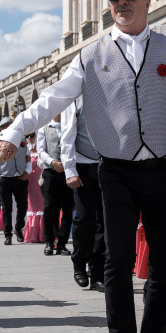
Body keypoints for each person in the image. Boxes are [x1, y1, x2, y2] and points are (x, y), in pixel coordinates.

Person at [0, 0, 166, 333]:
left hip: (165, 167)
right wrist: (14, 129)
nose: (121, 3)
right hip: (117, 170)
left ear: (148, 0)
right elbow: (51, 99)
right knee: (116, 259)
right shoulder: (91, 55)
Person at [62, 96, 106, 290]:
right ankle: (79, 261)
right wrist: (69, 169)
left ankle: (98, 273)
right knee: (85, 218)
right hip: (83, 165)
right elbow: (68, 134)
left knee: (106, 221)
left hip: (109, 163)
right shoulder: (75, 96)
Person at [0, 116, 30, 245]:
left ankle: (18, 229)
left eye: (10, 124)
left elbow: (27, 157)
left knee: (23, 206)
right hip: (5, 179)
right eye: (6, 126)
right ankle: (7, 234)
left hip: (20, 178)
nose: (9, 127)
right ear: (1, 128)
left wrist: (27, 171)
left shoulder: (22, 139)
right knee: (7, 208)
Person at [38, 114, 73, 255]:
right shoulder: (44, 127)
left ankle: (62, 243)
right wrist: (53, 162)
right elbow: (41, 150)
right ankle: (49, 241)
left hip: (68, 171)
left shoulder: (69, 125)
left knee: (67, 208)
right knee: (49, 208)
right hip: (50, 171)